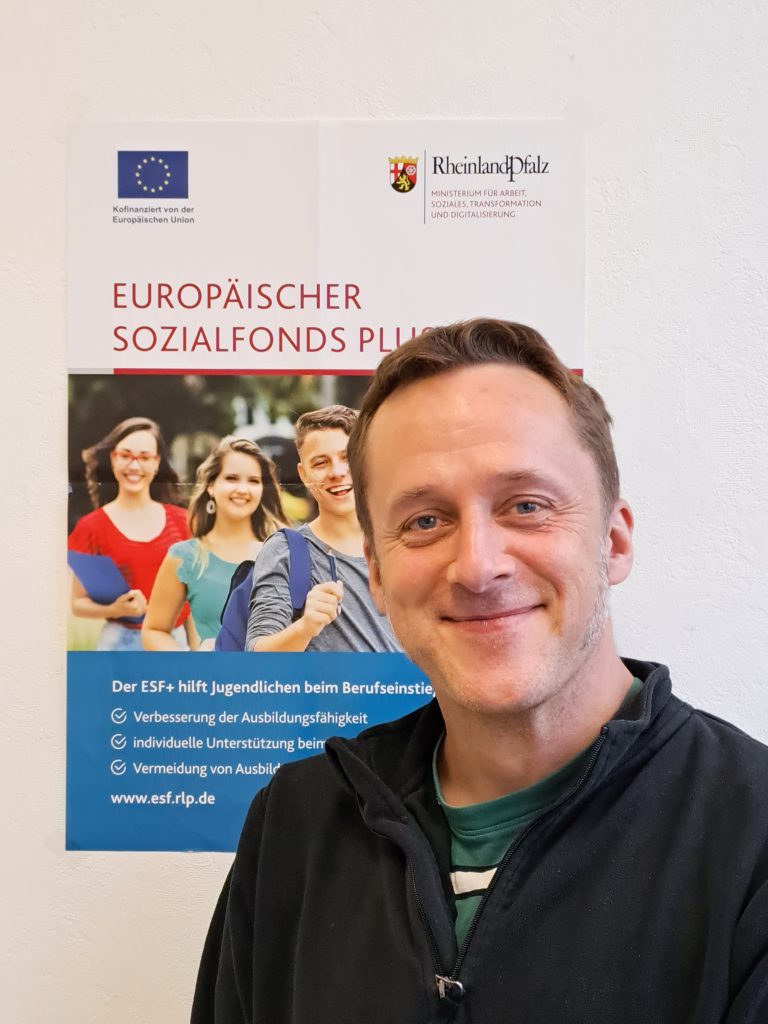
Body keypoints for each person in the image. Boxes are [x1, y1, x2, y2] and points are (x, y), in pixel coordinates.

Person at [193, 320, 768, 1023]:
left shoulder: (752, 838)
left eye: (527, 506)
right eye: (425, 521)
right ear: (377, 574)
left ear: (614, 541)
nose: (477, 566)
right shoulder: (297, 825)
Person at [244, 404, 399, 653]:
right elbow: (257, 654)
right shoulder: (285, 550)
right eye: (320, 463)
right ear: (304, 474)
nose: (336, 472)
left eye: (347, 457)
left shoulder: (404, 542)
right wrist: (305, 627)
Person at [141, 436, 288, 651]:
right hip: (211, 673)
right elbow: (154, 630)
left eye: (253, 481)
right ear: (211, 485)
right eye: (231, 478)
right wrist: (191, 662)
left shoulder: (282, 553)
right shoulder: (186, 556)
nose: (243, 489)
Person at [68, 416, 191, 651]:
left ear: (156, 463)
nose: (134, 466)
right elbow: (78, 603)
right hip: (119, 644)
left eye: (144, 457)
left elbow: (192, 602)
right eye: (125, 456)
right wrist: (115, 609)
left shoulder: (182, 521)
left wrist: (198, 658)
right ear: (113, 458)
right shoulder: (91, 527)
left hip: (173, 643)